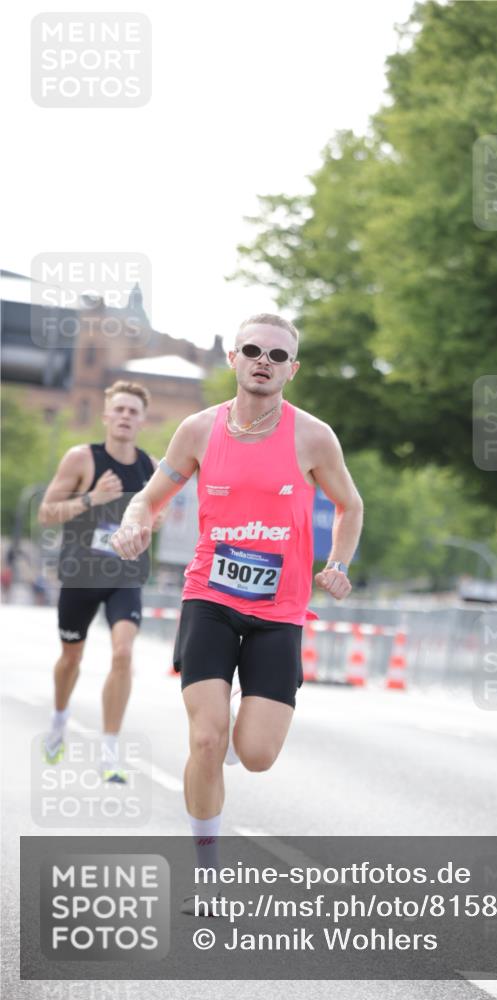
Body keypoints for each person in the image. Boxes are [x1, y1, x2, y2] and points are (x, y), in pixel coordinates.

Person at [111, 314, 363, 889]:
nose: (263, 361)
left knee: (256, 755)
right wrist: (134, 523)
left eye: (277, 356)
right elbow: (148, 497)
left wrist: (338, 564)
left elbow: (350, 505)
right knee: (205, 738)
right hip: (210, 596)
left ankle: (239, 718)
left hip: (279, 611)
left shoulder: (313, 436)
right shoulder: (199, 430)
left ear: (292, 369)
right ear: (233, 359)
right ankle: (206, 874)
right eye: (252, 350)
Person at [38, 381, 162, 782]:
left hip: (125, 575)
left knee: (123, 654)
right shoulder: (82, 459)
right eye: (119, 409)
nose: (125, 416)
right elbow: (46, 513)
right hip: (80, 576)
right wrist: (93, 498)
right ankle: (59, 718)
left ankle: (109, 751)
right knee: (71, 658)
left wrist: (147, 524)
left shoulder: (151, 468)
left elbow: (156, 518)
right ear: (107, 416)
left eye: (133, 411)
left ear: (142, 421)